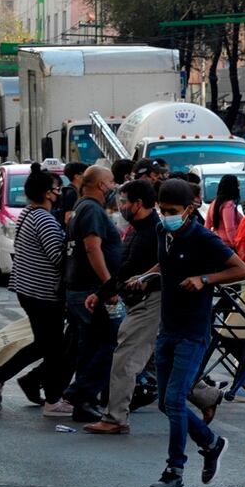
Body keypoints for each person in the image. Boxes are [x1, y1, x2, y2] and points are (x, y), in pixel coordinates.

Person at [147, 179, 245, 487]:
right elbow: (164, 264)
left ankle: (174, 471)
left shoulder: (203, 238)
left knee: (176, 400)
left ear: (190, 210)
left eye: (172, 211)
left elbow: (241, 269)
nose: (166, 215)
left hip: (192, 332)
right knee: (166, 403)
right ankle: (211, 443)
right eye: (162, 210)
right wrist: (146, 276)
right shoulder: (162, 231)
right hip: (167, 328)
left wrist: (204, 279)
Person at [0, 165, 70, 416]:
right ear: (48, 193)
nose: (59, 193)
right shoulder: (44, 219)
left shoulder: (29, 214)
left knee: (45, 345)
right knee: (54, 349)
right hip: (43, 294)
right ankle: (52, 401)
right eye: (56, 189)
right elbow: (58, 258)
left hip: (29, 290)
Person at [86, 179, 162, 434]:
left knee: (125, 359)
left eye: (124, 202)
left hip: (149, 303)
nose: (121, 207)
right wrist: (102, 293)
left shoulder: (154, 231)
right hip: (137, 302)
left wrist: (105, 291)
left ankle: (115, 418)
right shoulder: (138, 229)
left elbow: (133, 270)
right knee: (162, 361)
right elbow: (124, 269)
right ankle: (206, 397)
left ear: (138, 204)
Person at [64, 165, 123, 422]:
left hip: (84, 289)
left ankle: (81, 397)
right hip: (91, 290)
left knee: (91, 345)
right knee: (108, 342)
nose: (113, 188)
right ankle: (82, 394)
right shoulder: (91, 209)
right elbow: (92, 248)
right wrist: (108, 286)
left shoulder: (82, 207)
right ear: (101, 185)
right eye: (111, 182)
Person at [206, 174, 242, 248]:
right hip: (229, 245)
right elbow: (230, 229)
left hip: (218, 243)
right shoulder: (228, 205)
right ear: (232, 187)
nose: (239, 188)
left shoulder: (214, 202)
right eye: (237, 186)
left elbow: (207, 226)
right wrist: (236, 245)